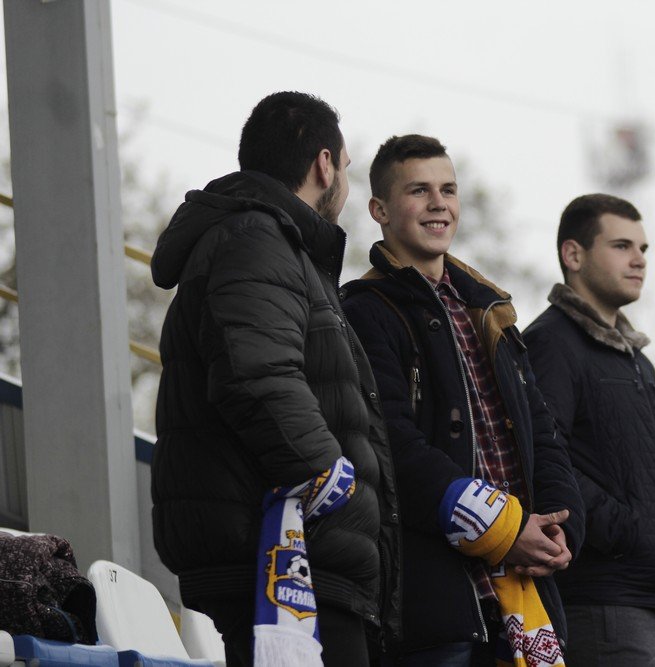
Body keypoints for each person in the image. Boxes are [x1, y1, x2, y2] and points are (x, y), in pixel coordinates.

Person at [150, 91, 399, 666]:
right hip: (282, 554)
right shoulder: (256, 238)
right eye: (346, 166)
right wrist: (328, 476)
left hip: (293, 551)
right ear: (323, 165)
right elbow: (256, 374)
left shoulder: (271, 243)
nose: (344, 182)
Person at [341, 134, 584, 666]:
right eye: (419, 191)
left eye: (448, 189)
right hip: (437, 607)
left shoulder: (490, 309)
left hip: (523, 598)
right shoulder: (364, 310)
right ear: (379, 210)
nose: (439, 203)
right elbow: (391, 447)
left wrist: (561, 529)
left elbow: (542, 435)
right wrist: (505, 531)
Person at [522, 194, 655, 667]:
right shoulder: (551, 342)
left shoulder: (637, 359)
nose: (639, 259)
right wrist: (625, 531)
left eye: (643, 249)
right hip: (606, 602)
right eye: (622, 246)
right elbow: (544, 457)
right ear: (573, 254)